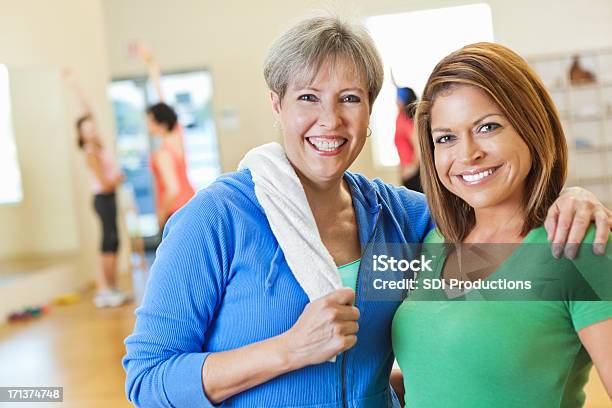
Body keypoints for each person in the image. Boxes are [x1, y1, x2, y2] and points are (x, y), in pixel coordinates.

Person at [123, 18, 611, 408]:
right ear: (276, 104)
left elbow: (504, 240)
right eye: (307, 97)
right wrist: (287, 351)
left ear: (370, 110)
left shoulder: (404, 219)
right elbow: (148, 380)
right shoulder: (216, 220)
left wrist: (567, 197)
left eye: (350, 99)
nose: (330, 120)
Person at [392, 42, 612, 407]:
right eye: (446, 138)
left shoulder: (576, 244)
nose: (467, 154)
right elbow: (446, 372)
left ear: (530, 126)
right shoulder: (434, 242)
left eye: (487, 127)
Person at [63, 69, 130, 308]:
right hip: (102, 198)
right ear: (81, 134)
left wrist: (74, 86)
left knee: (114, 242)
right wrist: (118, 178)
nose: (92, 129)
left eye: (92, 126)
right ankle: (104, 289)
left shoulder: (99, 145)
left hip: (109, 197)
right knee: (108, 243)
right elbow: (104, 182)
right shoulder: (90, 153)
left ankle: (112, 288)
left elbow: (88, 109)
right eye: (87, 128)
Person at [131, 43, 196, 229]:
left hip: (175, 213)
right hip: (191, 204)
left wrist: (161, 214)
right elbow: (162, 101)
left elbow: (172, 189)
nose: (146, 124)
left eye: (149, 121)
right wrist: (151, 64)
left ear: (159, 123)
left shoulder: (163, 153)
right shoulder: (177, 136)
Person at [394, 86, 422, 192]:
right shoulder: (399, 118)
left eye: (398, 98)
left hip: (415, 174)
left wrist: (412, 167)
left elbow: (418, 146)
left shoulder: (408, 120)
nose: (396, 100)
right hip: (406, 172)